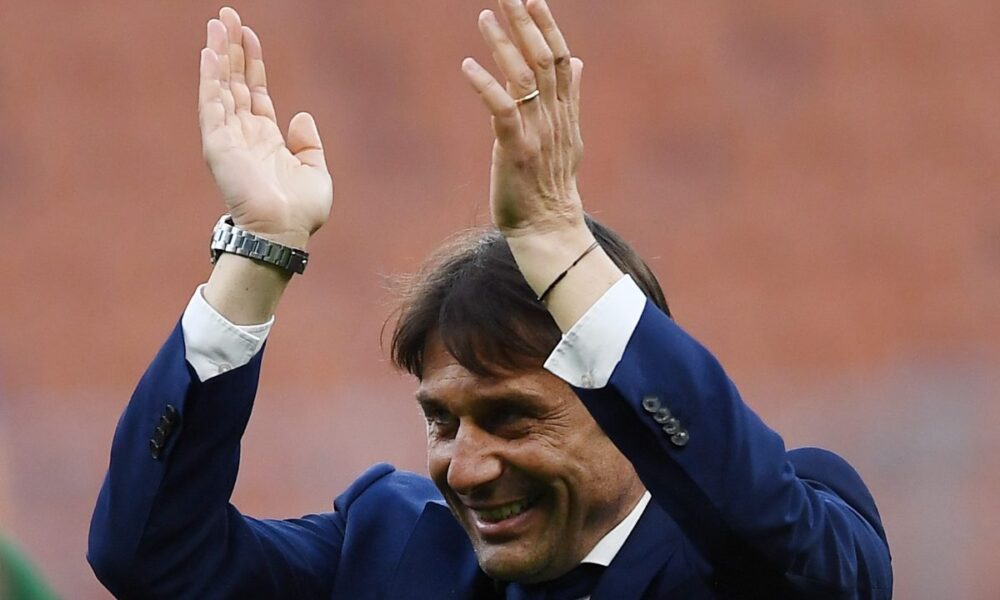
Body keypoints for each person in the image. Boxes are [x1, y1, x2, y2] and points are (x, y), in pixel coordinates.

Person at [87, 1, 893, 598]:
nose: (466, 467)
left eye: (512, 418)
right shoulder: (395, 549)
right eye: (443, 421)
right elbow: (154, 559)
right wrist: (259, 252)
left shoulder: (759, 545)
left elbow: (789, 551)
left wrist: (557, 242)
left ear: (624, 410)